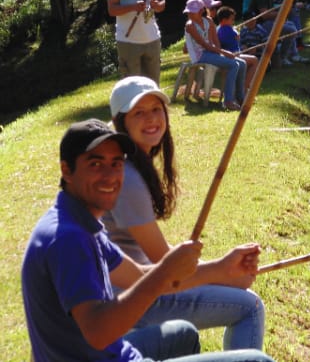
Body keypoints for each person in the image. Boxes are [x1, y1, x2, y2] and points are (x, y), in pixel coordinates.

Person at [21, 118, 274, 362]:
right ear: (67, 170)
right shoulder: (69, 239)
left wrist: (221, 269)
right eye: (96, 164)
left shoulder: (79, 221)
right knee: (256, 360)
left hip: (100, 353)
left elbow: (138, 275)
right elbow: (98, 332)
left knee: (182, 334)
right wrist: (164, 272)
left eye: (116, 163)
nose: (110, 176)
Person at [183, 0, 246, 110]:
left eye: (193, 12)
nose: (190, 14)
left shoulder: (209, 21)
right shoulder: (190, 25)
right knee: (233, 64)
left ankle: (240, 97)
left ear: (201, 10)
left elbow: (215, 41)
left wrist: (220, 52)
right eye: (189, 12)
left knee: (242, 63)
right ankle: (228, 101)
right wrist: (224, 53)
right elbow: (204, 44)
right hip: (200, 56)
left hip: (210, 53)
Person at [247, 0, 307, 66]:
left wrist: (284, 11)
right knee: (291, 30)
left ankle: (294, 55)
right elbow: (264, 15)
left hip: (268, 23)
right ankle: (283, 57)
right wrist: (283, 13)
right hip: (259, 26)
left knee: (291, 25)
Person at [216, 6, 259, 91]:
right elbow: (236, 37)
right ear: (224, 20)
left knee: (250, 59)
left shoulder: (220, 28)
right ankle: (244, 88)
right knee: (254, 60)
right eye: (231, 19)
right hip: (232, 56)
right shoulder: (226, 29)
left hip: (233, 54)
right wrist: (235, 32)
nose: (233, 21)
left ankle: (243, 86)